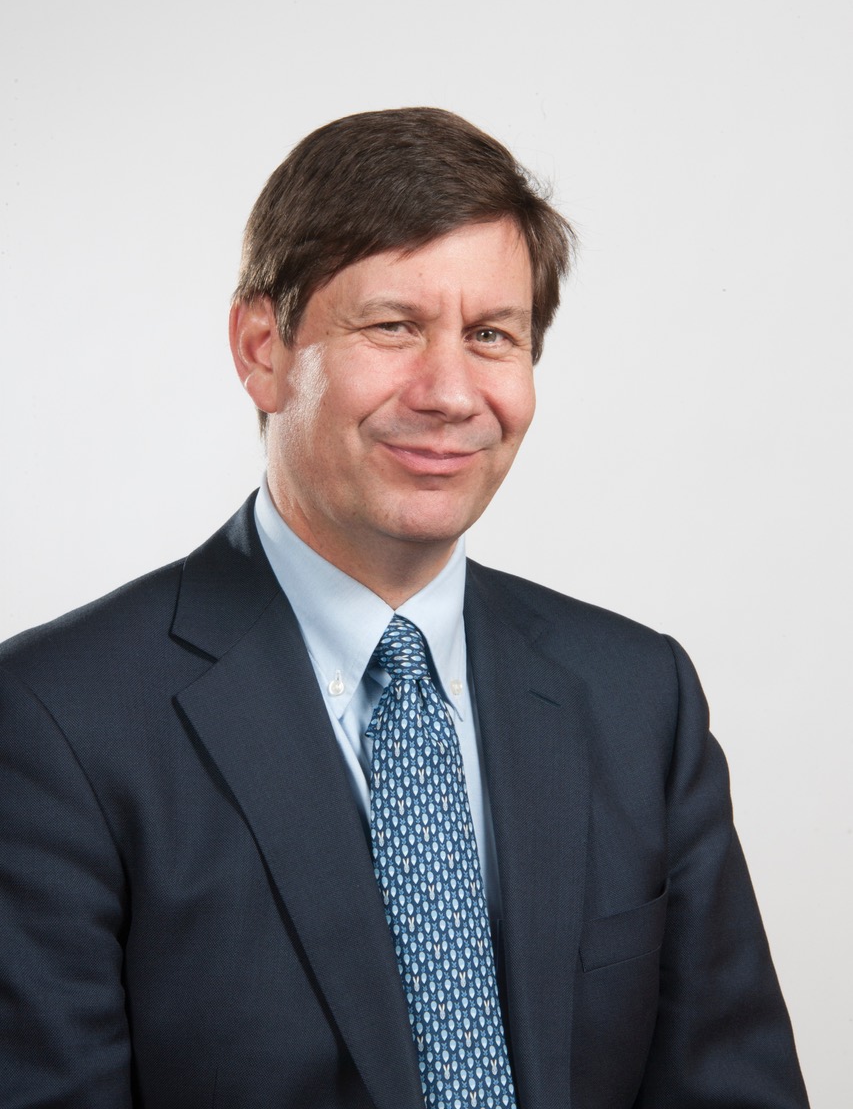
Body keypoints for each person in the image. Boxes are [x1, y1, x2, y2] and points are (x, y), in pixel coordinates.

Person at [0, 108, 809, 1109]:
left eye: (491, 335)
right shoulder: (54, 721)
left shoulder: (638, 696)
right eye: (393, 326)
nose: (450, 393)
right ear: (261, 348)